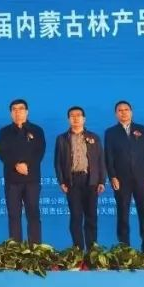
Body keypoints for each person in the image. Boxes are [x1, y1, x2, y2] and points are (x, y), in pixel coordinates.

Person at [103, 100, 144, 252]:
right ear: (116, 114)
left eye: (126, 109)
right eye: (120, 110)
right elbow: (108, 157)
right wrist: (112, 177)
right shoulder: (110, 132)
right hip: (121, 179)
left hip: (142, 178)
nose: (123, 112)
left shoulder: (142, 130)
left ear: (131, 112)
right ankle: (124, 249)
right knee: (123, 214)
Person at [54, 106, 106, 250]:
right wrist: (61, 181)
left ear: (84, 119)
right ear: (68, 119)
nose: (75, 118)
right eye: (72, 115)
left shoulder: (94, 137)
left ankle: (92, 250)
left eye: (78, 115)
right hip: (72, 181)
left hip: (91, 180)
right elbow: (57, 162)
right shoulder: (62, 139)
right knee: (76, 217)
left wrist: (102, 181)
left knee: (91, 217)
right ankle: (77, 250)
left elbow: (101, 160)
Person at [0, 99, 46, 244]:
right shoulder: (4, 132)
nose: (17, 112)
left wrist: (27, 165)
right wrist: (16, 165)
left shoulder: (37, 130)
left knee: (33, 215)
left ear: (27, 112)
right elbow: (2, 152)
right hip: (12, 180)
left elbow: (39, 152)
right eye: (14, 109)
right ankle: (15, 249)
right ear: (11, 113)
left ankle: (35, 248)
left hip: (32, 179)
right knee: (14, 215)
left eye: (21, 108)